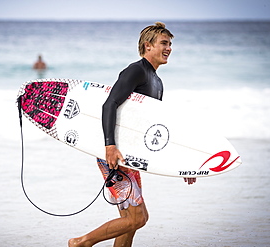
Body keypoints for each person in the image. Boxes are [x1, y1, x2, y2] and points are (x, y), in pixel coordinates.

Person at [68, 22, 196, 247]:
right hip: (115, 154)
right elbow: (110, 104)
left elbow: (155, 129)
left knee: (131, 221)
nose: (169, 48)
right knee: (138, 218)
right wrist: (110, 145)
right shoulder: (136, 70)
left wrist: (181, 165)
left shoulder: (157, 81)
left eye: (170, 44)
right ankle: (81, 243)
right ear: (148, 46)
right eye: (164, 43)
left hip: (130, 156)